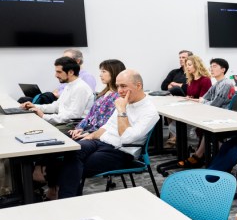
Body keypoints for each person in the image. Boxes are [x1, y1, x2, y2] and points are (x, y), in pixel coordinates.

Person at [54, 70, 160, 200]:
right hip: (100, 142)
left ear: (138, 86)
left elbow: (126, 137)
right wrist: (90, 136)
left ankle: (66, 200)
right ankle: (69, 201)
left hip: (121, 151)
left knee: (72, 166)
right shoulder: (123, 101)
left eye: (123, 86)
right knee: (71, 152)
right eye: (118, 86)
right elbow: (106, 127)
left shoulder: (150, 112)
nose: (119, 91)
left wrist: (121, 110)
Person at [36, 59, 127, 200]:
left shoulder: (117, 96)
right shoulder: (104, 93)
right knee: (54, 141)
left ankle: (54, 186)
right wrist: (79, 128)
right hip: (87, 130)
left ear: (114, 73)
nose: (100, 75)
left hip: (98, 136)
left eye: (104, 71)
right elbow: (89, 116)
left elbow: (107, 123)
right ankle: (51, 184)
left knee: (67, 151)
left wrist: (86, 132)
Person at [177, 58, 235, 168]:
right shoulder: (216, 84)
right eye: (211, 66)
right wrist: (203, 101)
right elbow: (204, 98)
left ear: (223, 69)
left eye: (214, 66)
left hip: (222, 117)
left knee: (204, 129)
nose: (211, 69)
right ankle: (200, 156)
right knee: (203, 129)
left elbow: (214, 104)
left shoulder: (226, 84)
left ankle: (202, 156)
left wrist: (204, 101)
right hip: (214, 114)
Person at [20, 56, 94, 126]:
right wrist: (35, 106)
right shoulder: (70, 85)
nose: (56, 75)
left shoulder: (81, 88)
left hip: (72, 126)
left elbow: (73, 116)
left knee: (32, 124)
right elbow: (56, 106)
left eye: (59, 72)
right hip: (63, 122)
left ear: (71, 72)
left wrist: (43, 116)